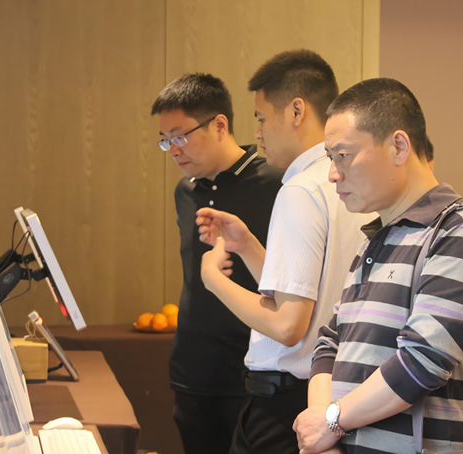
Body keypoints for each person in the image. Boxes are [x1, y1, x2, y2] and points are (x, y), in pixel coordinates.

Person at [293, 77, 463, 454]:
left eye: (344, 155)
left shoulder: (460, 234)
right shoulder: (376, 237)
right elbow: (330, 342)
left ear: (399, 146)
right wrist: (325, 430)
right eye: (330, 157)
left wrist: (332, 420)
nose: (333, 173)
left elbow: (421, 362)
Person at [196, 50, 374, 454]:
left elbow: (288, 326)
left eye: (261, 118)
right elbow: (314, 292)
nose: (256, 133)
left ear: (296, 111)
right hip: (333, 394)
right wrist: (248, 247)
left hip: (287, 402)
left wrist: (213, 281)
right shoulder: (351, 182)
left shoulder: (301, 189)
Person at [150, 73, 284, 454]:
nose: (173, 150)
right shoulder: (185, 190)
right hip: (192, 370)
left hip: (250, 372)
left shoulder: (276, 185)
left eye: (180, 136)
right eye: (165, 141)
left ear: (220, 125)